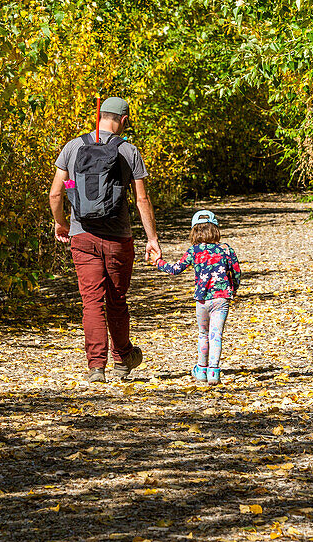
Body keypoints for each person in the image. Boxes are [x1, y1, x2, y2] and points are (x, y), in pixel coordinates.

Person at [49, 97, 162, 382]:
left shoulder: (73, 147)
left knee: (91, 303)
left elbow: (55, 194)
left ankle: (95, 367)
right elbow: (141, 199)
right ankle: (123, 359)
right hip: (118, 238)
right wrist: (152, 239)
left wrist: (61, 223)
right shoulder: (128, 151)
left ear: (99, 115)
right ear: (123, 120)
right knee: (117, 300)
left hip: (82, 235)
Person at [153, 210, 241, 385]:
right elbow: (236, 272)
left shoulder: (194, 250)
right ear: (215, 229)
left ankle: (201, 369)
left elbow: (175, 269)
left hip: (202, 300)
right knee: (216, 335)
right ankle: (214, 372)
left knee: (203, 334)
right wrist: (234, 289)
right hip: (221, 299)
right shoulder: (226, 249)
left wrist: (159, 262)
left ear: (194, 231)